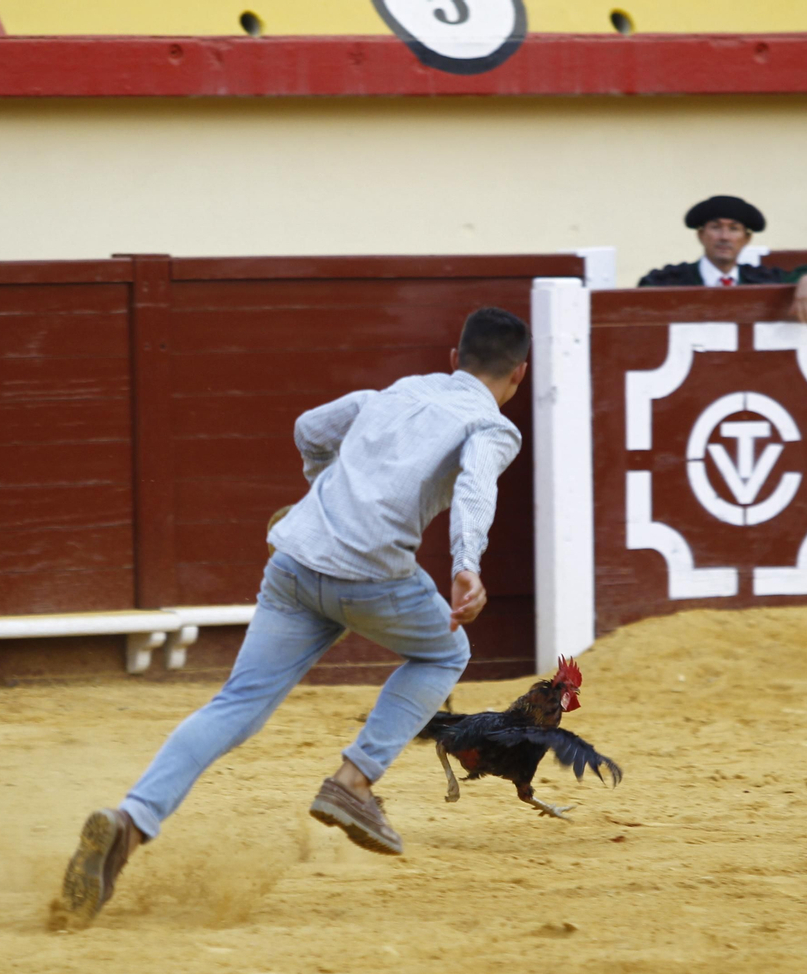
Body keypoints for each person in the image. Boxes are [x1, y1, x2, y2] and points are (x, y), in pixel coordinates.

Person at [54, 307, 531, 929]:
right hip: (372, 577)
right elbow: (474, 489)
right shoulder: (490, 425)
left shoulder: (395, 392)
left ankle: (129, 821)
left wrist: (323, 490)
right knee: (446, 653)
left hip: (297, 561)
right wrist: (467, 562)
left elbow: (310, 428)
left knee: (234, 705)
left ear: (452, 358)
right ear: (518, 376)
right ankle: (353, 782)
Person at [637, 195, 807, 325]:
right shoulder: (669, 280)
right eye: (716, 227)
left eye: (734, 229)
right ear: (701, 235)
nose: (724, 237)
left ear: (746, 239)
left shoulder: (763, 278)